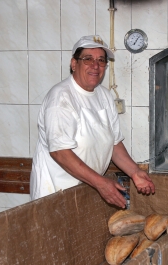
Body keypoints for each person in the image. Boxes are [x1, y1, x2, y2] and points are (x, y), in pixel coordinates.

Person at [30, 35, 155, 208]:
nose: (95, 66)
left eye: (101, 60)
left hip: (86, 188)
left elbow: (114, 143)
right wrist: (101, 183)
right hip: (56, 193)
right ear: (74, 64)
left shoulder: (103, 95)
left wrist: (135, 172)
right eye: (88, 59)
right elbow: (60, 152)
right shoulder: (61, 98)